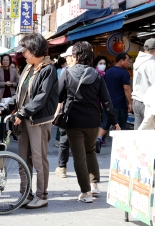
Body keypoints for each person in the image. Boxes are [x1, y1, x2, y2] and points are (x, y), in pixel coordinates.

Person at [58, 41, 120, 203]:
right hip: (93, 120)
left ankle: (86, 192)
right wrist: (115, 122)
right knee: (90, 151)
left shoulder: (67, 73)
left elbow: (58, 96)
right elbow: (106, 101)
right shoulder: (97, 75)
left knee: (79, 157)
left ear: (76, 56)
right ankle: (94, 185)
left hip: (73, 121)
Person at [2, 33, 58, 209]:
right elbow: (20, 93)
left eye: (25, 50)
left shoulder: (48, 69)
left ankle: (42, 195)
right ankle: (25, 193)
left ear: (34, 50)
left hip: (38, 120)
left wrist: (22, 112)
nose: (23, 54)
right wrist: (6, 108)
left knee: (39, 159)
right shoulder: (27, 68)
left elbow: (41, 97)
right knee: (23, 158)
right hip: (23, 118)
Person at [96, 52, 132, 153]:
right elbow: (126, 89)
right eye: (127, 61)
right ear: (121, 61)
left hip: (107, 103)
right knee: (120, 125)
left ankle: (98, 139)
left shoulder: (107, 72)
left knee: (105, 123)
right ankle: (120, 147)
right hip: (119, 103)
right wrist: (130, 102)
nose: (128, 63)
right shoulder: (124, 73)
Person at [54, 50, 74, 179]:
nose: (66, 58)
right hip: (86, 114)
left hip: (68, 111)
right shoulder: (92, 72)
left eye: (67, 56)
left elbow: (59, 95)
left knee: (64, 141)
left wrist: (56, 112)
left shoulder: (66, 71)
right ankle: (91, 177)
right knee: (85, 146)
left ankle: (62, 168)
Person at [0, 54, 20, 141]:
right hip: (0, 97)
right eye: (4, 60)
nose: (5, 61)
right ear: (1, 61)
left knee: (11, 117)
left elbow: (18, 82)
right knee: (0, 116)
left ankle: (13, 134)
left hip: (11, 97)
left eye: (7, 60)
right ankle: (0, 135)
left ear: (10, 61)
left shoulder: (14, 71)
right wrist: (4, 83)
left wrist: (12, 84)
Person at [132, 38, 155, 129]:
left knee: (139, 130)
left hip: (136, 100)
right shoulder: (151, 63)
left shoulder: (138, 61)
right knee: (150, 131)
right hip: (147, 103)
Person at [93, 55, 109, 147]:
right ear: (96, 65)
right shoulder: (96, 74)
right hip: (97, 101)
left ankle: (99, 138)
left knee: (101, 120)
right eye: (100, 63)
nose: (103, 65)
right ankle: (97, 138)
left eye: (104, 63)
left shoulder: (104, 74)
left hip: (101, 101)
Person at [53, 56, 67, 148]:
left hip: (60, 97)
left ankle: (59, 140)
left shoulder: (62, 70)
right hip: (61, 97)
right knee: (61, 117)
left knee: (60, 117)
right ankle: (59, 140)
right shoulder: (62, 71)